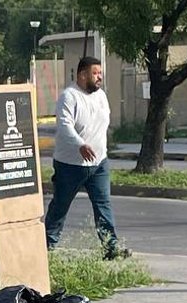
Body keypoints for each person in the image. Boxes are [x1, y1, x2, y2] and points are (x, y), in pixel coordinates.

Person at [43, 57, 129, 259]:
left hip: (99, 163)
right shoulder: (69, 96)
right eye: (95, 73)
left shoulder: (101, 97)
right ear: (82, 75)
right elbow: (64, 126)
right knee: (60, 206)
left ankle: (111, 248)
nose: (99, 77)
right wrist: (80, 144)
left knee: (103, 204)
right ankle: (46, 247)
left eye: (100, 73)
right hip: (70, 165)